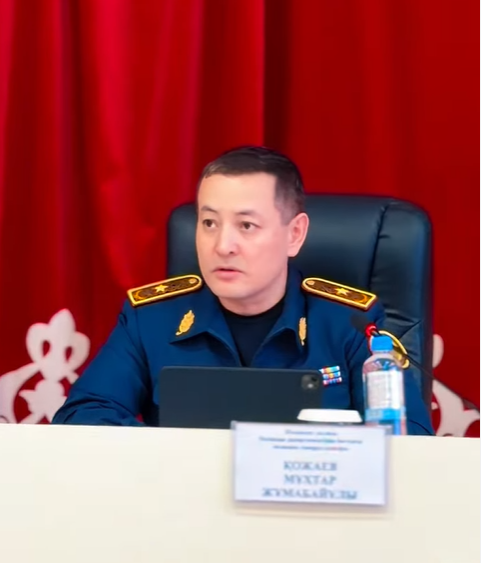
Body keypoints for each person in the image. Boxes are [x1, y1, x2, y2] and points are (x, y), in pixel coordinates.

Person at [53, 146, 433, 433]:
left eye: (246, 226)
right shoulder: (151, 320)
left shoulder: (350, 325)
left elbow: (409, 443)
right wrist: (171, 454)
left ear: (294, 234)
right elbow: (82, 417)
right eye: (209, 223)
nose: (223, 246)